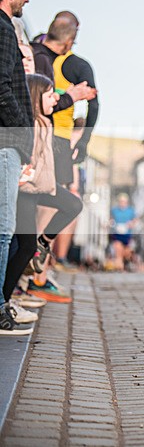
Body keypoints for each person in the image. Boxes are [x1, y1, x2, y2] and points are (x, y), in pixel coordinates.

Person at [8, 74, 83, 308]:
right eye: (50, 95)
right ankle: (6, 298)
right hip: (26, 190)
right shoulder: (29, 124)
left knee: (73, 205)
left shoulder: (45, 122)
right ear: (36, 97)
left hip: (41, 187)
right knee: (24, 247)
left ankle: (44, 242)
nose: (55, 99)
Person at [0, 0, 34, 335]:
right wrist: (22, 130)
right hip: (6, 140)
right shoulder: (3, 28)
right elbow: (2, 86)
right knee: (4, 229)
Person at [109, 193, 137, 271]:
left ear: (127, 202)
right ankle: (119, 266)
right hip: (117, 233)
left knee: (126, 252)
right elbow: (111, 219)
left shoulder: (131, 210)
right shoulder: (114, 210)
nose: (122, 203)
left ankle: (125, 262)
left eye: (124, 201)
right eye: (121, 201)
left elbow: (135, 220)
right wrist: (111, 223)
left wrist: (131, 223)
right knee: (118, 250)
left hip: (127, 233)